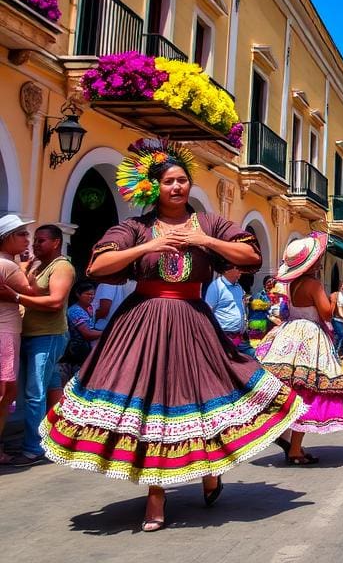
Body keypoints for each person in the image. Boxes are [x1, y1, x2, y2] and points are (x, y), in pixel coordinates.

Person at [37, 139, 305, 531]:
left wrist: (205, 242)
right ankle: (156, 497)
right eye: (168, 182)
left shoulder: (210, 223)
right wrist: (152, 245)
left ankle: (209, 469)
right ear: (154, 187)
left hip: (194, 322)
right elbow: (97, 264)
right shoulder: (135, 226)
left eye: (182, 180)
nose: (177, 187)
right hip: (142, 322)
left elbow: (251, 258)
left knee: (199, 398)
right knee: (150, 406)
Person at [255, 233, 343, 464]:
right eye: (317, 258)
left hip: (288, 334)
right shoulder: (313, 284)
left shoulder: (291, 284)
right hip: (309, 335)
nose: (320, 261)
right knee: (307, 390)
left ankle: (283, 433)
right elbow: (326, 313)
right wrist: (333, 298)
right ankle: (295, 449)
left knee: (288, 387)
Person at [3, 223, 76, 467]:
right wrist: (25, 270)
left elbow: (55, 301)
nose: (35, 244)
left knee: (35, 394)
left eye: (41, 240)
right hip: (34, 335)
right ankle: (57, 439)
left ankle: (33, 448)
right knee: (52, 389)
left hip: (48, 335)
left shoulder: (62, 266)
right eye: (34, 240)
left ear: (56, 242)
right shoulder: (39, 266)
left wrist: (14, 296)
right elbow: (32, 290)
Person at [0, 214, 33, 466]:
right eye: (22, 234)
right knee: (5, 391)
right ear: (7, 238)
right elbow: (32, 292)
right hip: (5, 333)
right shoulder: (9, 266)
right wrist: (26, 266)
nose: (27, 239)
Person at [59, 280, 100, 386]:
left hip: (84, 352)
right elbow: (87, 334)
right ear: (78, 294)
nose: (91, 297)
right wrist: (108, 332)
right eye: (88, 294)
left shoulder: (90, 308)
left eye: (93, 295)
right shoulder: (75, 310)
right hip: (74, 353)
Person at [205, 263, 252, 356]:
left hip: (241, 338)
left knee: (254, 360)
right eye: (237, 268)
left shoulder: (238, 287)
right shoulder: (216, 287)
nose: (241, 271)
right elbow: (207, 313)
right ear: (227, 270)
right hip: (225, 340)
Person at [331, 281, 343, 356]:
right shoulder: (336, 295)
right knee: (342, 337)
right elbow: (337, 309)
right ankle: (336, 353)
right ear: (340, 285)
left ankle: (338, 353)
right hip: (337, 319)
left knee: (340, 337)